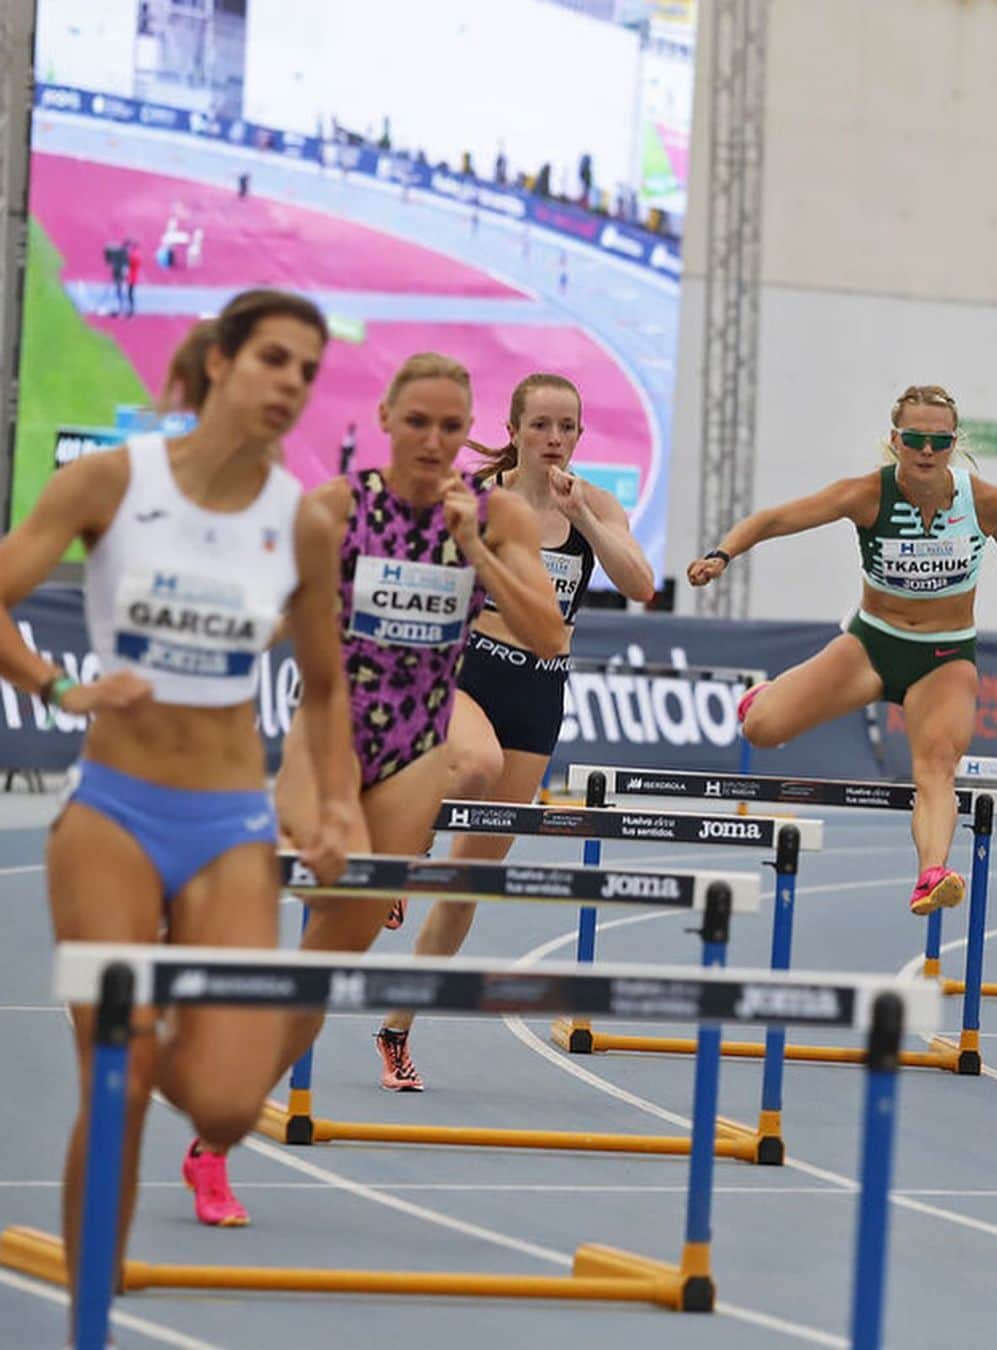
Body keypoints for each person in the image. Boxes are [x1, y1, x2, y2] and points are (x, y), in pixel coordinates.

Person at [0, 288, 359, 1316]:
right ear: (219, 364)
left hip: (228, 822)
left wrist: (334, 803)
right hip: (112, 811)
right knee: (111, 1082)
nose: (290, 384)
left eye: (307, 370)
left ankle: (152, 1032)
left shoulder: (298, 523)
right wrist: (59, 688)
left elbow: (326, 685)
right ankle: (88, 1323)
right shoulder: (113, 482)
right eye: (274, 361)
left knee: (227, 1102)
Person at [198, 352, 563, 1200]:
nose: (433, 441)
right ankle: (204, 981)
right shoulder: (338, 506)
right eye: (418, 423)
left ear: (468, 433)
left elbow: (548, 635)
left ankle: (217, 1136)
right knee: (326, 865)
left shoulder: (495, 513)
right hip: (330, 730)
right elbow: (268, 616)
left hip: (414, 747)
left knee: (329, 960)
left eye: (449, 426)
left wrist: (473, 543)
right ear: (389, 420)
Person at [687, 383, 997, 915]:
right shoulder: (865, 494)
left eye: (938, 442)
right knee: (762, 729)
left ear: (953, 444)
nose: (925, 451)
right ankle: (765, 697)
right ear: (895, 440)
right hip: (872, 645)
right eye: (914, 438)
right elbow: (776, 519)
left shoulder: (986, 503)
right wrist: (721, 554)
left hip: (944, 656)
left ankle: (931, 873)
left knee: (937, 766)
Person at [372, 373, 654, 1088]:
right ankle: (403, 849)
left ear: (579, 436)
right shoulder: (476, 497)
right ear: (517, 430)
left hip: (540, 693)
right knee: (474, 767)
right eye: (541, 427)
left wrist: (585, 519)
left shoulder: (592, 504)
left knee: (471, 882)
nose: (554, 440)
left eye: (567, 427)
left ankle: (395, 1029)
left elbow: (642, 585)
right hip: (469, 672)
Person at [124, 239, 141, 317]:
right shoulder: (134, 254)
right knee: (129, 293)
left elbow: (131, 263)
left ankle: (131, 308)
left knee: (130, 293)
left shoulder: (134, 255)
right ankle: (130, 308)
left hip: (132, 277)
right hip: (130, 276)